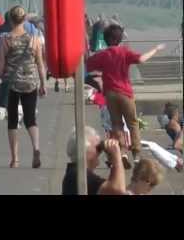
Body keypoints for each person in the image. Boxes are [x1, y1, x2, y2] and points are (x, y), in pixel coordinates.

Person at [86, 24, 166, 168]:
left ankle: (122, 152)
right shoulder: (124, 52)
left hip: (110, 94)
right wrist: (155, 49)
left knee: (116, 124)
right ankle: (136, 155)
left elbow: (88, 64)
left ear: (106, 40)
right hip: (125, 92)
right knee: (133, 123)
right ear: (120, 39)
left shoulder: (103, 54)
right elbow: (141, 59)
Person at [0, 6, 46, 169]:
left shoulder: (5, 40)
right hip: (30, 82)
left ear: (9, 20)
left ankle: (15, 159)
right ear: (24, 20)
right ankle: (36, 148)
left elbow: (0, 65)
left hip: (12, 83)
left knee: (13, 121)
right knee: (31, 119)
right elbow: (40, 64)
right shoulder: (34, 38)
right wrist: (43, 84)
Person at [62, 126, 126, 195]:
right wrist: (116, 157)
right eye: (98, 148)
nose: (100, 152)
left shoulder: (74, 173)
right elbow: (118, 190)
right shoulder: (78, 175)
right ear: (84, 150)